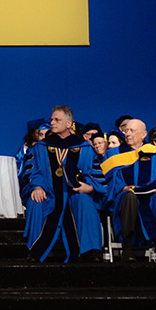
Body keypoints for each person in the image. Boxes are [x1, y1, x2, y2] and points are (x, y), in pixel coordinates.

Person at [23, 106, 104, 263]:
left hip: (75, 194)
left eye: (56, 120)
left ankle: (90, 251)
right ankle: (35, 251)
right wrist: (37, 186)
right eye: (51, 119)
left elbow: (93, 173)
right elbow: (32, 171)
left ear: (69, 123)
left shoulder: (84, 146)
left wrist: (90, 187)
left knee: (85, 201)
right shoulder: (41, 147)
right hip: (49, 194)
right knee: (36, 200)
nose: (52, 122)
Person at [100, 118, 156, 262]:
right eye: (126, 131)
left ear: (143, 134)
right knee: (129, 197)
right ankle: (127, 246)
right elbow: (109, 179)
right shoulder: (114, 155)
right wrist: (122, 187)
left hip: (151, 197)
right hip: (125, 198)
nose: (127, 134)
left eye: (132, 131)